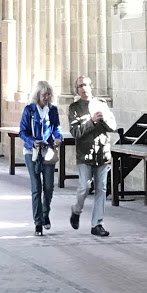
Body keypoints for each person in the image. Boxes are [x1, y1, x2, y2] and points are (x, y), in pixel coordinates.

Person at [67, 75, 115, 238]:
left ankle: (97, 224)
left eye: (86, 85)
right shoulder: (74, 108)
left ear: (91, 86)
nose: (84, 88)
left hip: (102, 152)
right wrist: (92, 121)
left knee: (101, 188)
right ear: (77, 90)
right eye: (80, 86)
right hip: (85, 154)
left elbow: (113, 126)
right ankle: (76, 210)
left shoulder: (101, 104)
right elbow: (75, 132)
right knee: (85, 187)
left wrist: (104, 119)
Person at [19, 80, 63, 235]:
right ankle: (38, 223)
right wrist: (33, 141)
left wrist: (58, 137)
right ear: (37, 95)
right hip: (32, 151)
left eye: (49, 94)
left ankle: (45, 214)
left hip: (48, 150)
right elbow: (22, 131)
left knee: (49, 186)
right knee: (36, 187)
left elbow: (56, 127)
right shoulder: (29, 110)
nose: (47, 97)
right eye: (44, 94)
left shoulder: (53, 110)